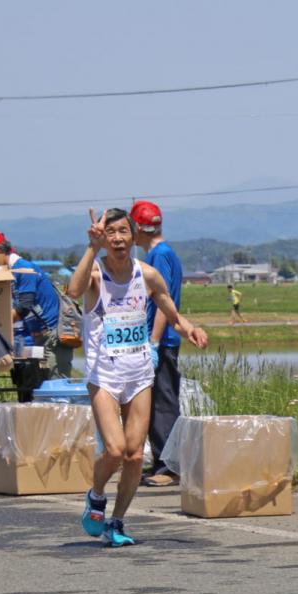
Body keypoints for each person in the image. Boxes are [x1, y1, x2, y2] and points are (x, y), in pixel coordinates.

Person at [67, 208, 208, 547]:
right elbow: (73, 291)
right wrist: (91, 247)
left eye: (123, 232)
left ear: (133, 237)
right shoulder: (97, 275)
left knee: (133, 454)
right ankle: (96, 496)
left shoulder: (146, 275)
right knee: (114, 450)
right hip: (104, 374)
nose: (117, 238)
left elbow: (170, 311)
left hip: (139, 371)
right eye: (110, 233)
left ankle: (117, 521)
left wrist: (189, 328)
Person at [0, 230, 70, 399]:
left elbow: (23, 307)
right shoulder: (11, 271)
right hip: (37, 335)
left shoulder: (23, 269)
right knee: (37, 392)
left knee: (57, 388)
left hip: (52, 335)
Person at [130, 200, 185, 487]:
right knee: (152, 403)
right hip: (156, 338)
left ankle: (169, 466)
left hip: (162, 339)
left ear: (138, 228)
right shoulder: (161, 253)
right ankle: (160, 463)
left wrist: (153, 340)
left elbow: (164, 301)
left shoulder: (160, 255)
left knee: (164, 403)